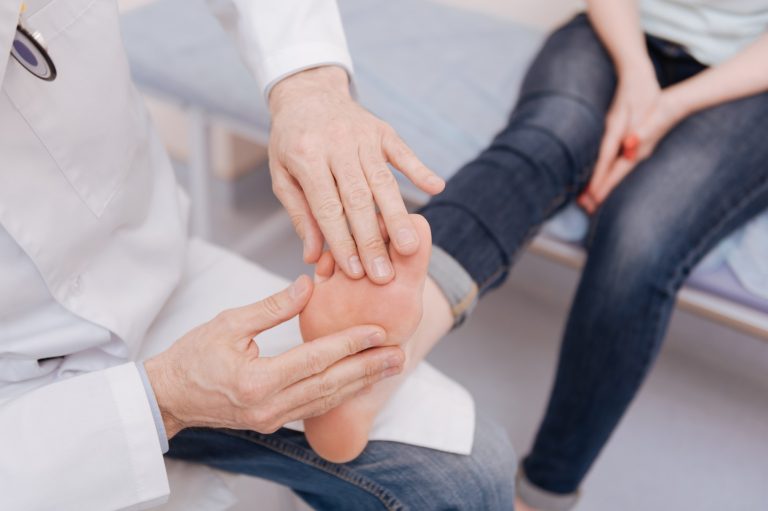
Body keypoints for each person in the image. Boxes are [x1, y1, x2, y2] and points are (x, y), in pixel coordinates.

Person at [0, 0, 516, 509]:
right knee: (547, 141)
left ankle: (366, 368)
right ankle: (396, 339)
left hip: (148, 271)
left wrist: (307, 83)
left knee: (469, 478)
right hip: (22, 412)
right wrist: (164, 399)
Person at [334, 0, 765, 509]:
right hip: (619, 33)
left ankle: (541, 496)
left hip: (748, 80)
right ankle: (377, 362)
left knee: (640, 233)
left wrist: (663, 110)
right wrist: (635, 74)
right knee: (544, 142)